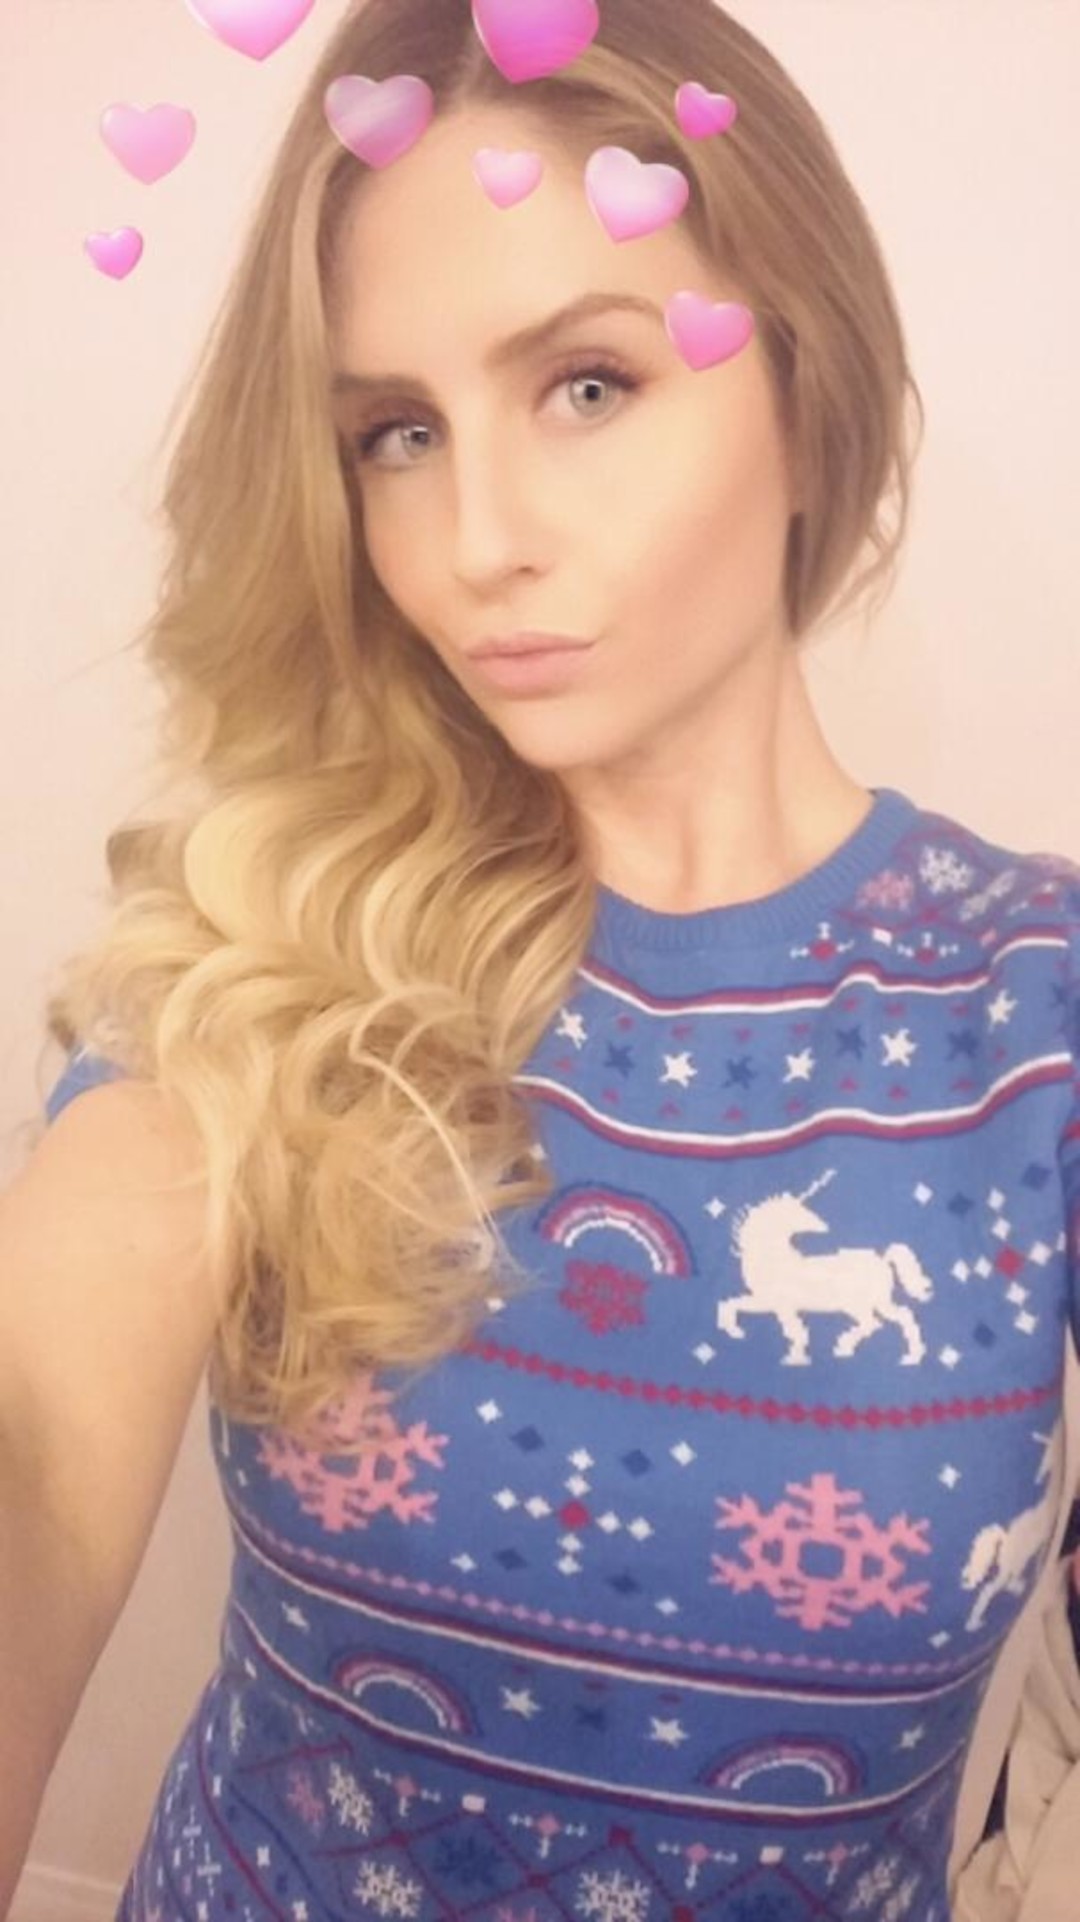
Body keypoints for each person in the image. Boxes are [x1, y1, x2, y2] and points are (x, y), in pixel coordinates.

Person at [5, 1, 1079, 1917]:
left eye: (587, 384)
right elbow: (35, 1451)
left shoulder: (1035, 1005)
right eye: (398, 434)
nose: (474, 539)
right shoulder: (276, 949)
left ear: (809, 389)